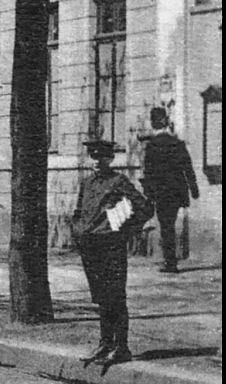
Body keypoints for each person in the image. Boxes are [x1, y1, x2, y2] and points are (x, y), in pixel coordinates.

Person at [71, 137, 151, 367]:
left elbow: (145, 207)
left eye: (101, 157)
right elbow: (78, 212)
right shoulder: (87, 183)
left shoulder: (118, 181)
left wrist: (126, 230)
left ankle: (121, 347)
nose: (97, 161)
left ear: (110, 159)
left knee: (115, 296)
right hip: (90, 247)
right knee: (101, 298)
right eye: (93, 157)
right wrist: (78, 231)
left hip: (110, 245)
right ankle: (105, 343)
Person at [140, 106, 202, 274]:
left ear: (153, 123)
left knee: (165, 225)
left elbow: (149, 172)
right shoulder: (177, 143)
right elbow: (187, 167)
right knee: (170, 224)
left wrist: (149, 193)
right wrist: (193, 189)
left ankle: (170, 262)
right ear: (165, 122)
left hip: (161, 192)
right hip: (176, 191)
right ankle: (171, 261)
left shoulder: (152, 146)